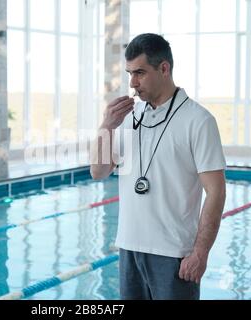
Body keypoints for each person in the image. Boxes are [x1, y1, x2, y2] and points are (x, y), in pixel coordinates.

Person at [90, 33, 226, 300]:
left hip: (174, 254)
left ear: (164, 68)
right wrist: (106, 126)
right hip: (129, 249)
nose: (133, 83)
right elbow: (99, 171)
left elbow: (216, 192)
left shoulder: (198, 120)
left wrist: (200, 253)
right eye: (130, 74)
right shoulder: (129, 118)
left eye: (139, 73)